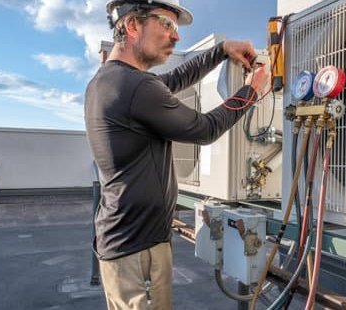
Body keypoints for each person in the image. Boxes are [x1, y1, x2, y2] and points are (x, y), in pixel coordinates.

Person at [85, 0, 268, 309]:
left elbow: (176, 80)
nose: (176, 36)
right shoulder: (135, 87)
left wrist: (222, 49)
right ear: (132, 26)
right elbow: (205, 128)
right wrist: (250, 91)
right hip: (138, 251)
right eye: (166, 25)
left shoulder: (110, 80)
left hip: (124, 244)